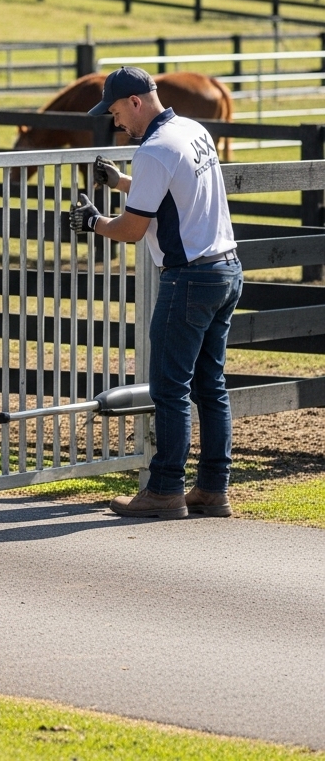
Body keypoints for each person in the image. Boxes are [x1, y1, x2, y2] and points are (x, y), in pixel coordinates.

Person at [69, 66, 242, 520]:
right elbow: (174, 191)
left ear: (136, 103)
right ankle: (213, 489)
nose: (115, 121)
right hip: (225, 270)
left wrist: (93, 222)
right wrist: (120, 184)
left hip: (188, 279)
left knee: (169, 388)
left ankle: (164, 489)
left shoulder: (153, 149)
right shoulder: (192, 130)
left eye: (116, 111)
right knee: (212, 387)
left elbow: (130, 229)